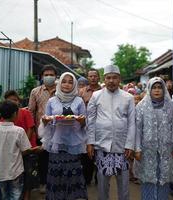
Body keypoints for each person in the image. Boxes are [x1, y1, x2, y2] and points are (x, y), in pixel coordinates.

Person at [86, 65, 135, 200]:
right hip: (102, 146)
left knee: (123, 184)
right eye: (108, 78)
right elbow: (90, 120)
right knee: (102, 184)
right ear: (104, 79)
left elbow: (132, 123)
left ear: (119, 79)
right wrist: (90, 142)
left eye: (114, 78)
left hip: (122, 147)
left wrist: (130, 144)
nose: (111, 81)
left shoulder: (128, 97)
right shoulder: (96, 96)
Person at [40, 72, 88, 200]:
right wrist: (45, 121)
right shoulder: (52, 101)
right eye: (64, 81)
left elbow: (85, 123)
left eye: (70, 82)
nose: (67, 84)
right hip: (56, 143)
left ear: (74, 85)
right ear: (59, 83)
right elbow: (46, 122)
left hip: (73, 144)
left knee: (73, 175)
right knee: (57, 174)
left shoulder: (79, 101)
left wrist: (82, 121)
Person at [134, 77, 173, 200]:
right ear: (149, 90)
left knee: (164, 178)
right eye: (154, 88)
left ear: (164, 89)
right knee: (148, 179)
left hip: (166, 149)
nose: (157, 90)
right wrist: (137, 149)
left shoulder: (171, 106)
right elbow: (137, 129)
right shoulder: (141, 107)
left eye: (159, 87)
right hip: (147, 150)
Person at [0, 101, 40, 200]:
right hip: (15, 171)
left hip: (0, 172)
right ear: (15, 114)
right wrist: (36, 149)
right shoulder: (19, 131)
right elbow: (26, 150)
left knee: (4, 196)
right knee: (16, 196)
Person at [28, 64, 57, 192]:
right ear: (41, 77)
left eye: (51, 75)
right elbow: (31, 112)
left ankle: (57, 182)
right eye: (46, 75)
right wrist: (33, 130)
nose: (49, 77)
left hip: (58, 130)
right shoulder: (35, 91)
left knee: (57, 156)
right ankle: (44, 183)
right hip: (42, 131)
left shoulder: (62, 90)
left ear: (56, 77)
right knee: (43, 158)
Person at [78, 69, 102, 185]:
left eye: (95, 76)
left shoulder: (104, 91)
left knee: (99, 152)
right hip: (86, 126)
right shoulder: (81, 92)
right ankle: (87, 179)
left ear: (99, 78)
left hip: (101, 127)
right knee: (87, 154)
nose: (93, 78)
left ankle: (99, 179)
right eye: (90, 76)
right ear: (88, 78)